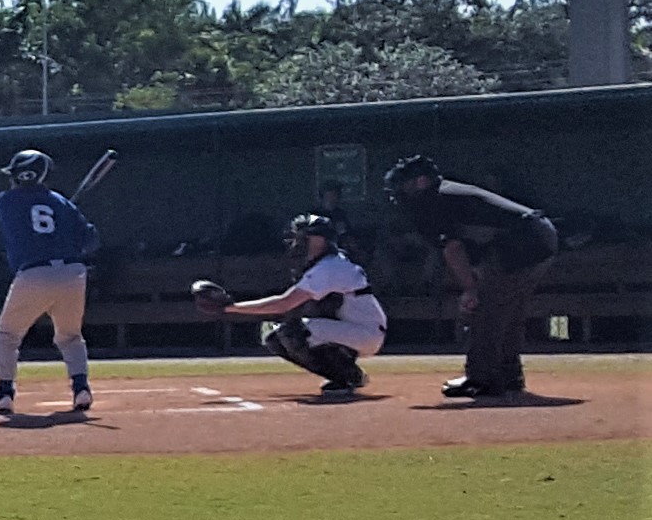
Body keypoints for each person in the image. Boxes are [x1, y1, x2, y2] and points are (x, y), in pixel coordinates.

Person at [385, 154, 560, 399]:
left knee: (485, 309)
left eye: (404, 184)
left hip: (523, 241)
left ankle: (482, 379)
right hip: (540, 236)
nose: (399, 191)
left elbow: (453, 248)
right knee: (507, 311)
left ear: (421, 182)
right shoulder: (446, 192)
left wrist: (470, 289)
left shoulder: (433, 200)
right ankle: (508, 376)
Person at [198, 214, 386, 395]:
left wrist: (231, 308)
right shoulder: (324, 263)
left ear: (320, 240)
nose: (298, 241)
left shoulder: (330, 267)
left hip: (365, 332)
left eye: (305, 236)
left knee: (292, 333)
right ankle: (345, 374)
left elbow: (284, 304)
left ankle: (348, 376)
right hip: (352, 328)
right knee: (272, 334)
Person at [0, 149, 98, 416]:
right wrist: (70, 221)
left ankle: (5, 392)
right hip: (73, 273)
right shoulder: (62, 203)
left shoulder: (6, 202)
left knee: (7, 335)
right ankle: (81, 387)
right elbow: (91, 241)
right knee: (70, 336)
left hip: (33, 274)